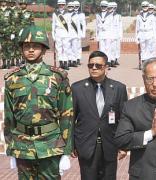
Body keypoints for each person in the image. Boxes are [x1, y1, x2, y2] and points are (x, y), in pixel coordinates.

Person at [4, 25, 73, 179]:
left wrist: (66, 151)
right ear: (21, 49)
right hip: (22, 145)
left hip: (50, 144)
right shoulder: (12, 79)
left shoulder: (57, 77)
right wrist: (11, 149)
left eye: (35, 46)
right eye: (27, 46)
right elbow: (9, 117)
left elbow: (66, 116)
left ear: (44, 49)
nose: (30, 50)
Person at [71, 51, 128, 180]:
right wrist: (71, 145)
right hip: (86, 145)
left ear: (106, 67)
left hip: (110, 145)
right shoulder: (77, 88)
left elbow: (124, 119)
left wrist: (123, 145)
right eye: (91, 65)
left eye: (98, 65)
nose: (94, 68)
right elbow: (71, 118)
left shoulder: (119, 88)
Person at [52, 0, 70, 70]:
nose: (61, 6)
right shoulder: (55, 14)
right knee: (59, 48)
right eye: (60, 5)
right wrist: (53, 34)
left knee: (66, 48)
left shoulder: (68, 14)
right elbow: (53, 24)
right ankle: (61, 62)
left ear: (65, 5)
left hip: (65, 32)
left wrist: (69, 34)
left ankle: (65, 62)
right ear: (58, 5)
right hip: (58, 32)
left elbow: (69, 25)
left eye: (62, 4)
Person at [107, 2, 123, 66]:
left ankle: (115, 59)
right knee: (110, 48)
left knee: (116, 48)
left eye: (113, 8)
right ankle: (111, 60)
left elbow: (120, 26)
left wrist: (120, 35)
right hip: (109, 35)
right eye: (110, 8)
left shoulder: (118, 16)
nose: (111, 9)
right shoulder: (107, 16)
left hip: (116, 34)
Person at [66, 1, 79, 67]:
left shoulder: (76, 15)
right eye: (69, 6)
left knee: (74, 48)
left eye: (71, 6)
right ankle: (69, 60)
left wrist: (78, 34)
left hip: (74, 34)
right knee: (68, 48)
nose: (70, 8)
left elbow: (78, 26)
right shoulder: (65, 15)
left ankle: (74, 61)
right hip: (67, 34)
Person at [73, 0, 86, 66]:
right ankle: (73, 59)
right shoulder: (69, 14)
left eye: (77, 6)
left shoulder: (81, 14)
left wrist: (83, 33)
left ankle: (78, 59)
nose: (76, 7)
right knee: (72, 47)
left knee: (78, 47)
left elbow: (83, 24)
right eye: (75, 6)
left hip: (78, 33)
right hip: (71, 33)